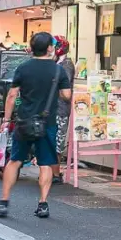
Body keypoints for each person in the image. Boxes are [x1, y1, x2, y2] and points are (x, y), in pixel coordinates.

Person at [0, 32, 71, 219]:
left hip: (24, 121)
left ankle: (4, 201)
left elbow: (12, 96)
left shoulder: (23, 67)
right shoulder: (58, 70)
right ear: (50, 48)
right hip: (47, 123)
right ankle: (43, 204)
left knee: (15, 161)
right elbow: (66, 95)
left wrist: (6, 120)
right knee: (45, 163)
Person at [50, 36, 76, 184]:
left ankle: (55, 172)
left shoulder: (66, 65)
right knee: (52, 139)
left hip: (60, 108)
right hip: (54, 108)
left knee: (57, 141)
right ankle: (52, 171)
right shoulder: (57, 63)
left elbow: (64, 90)